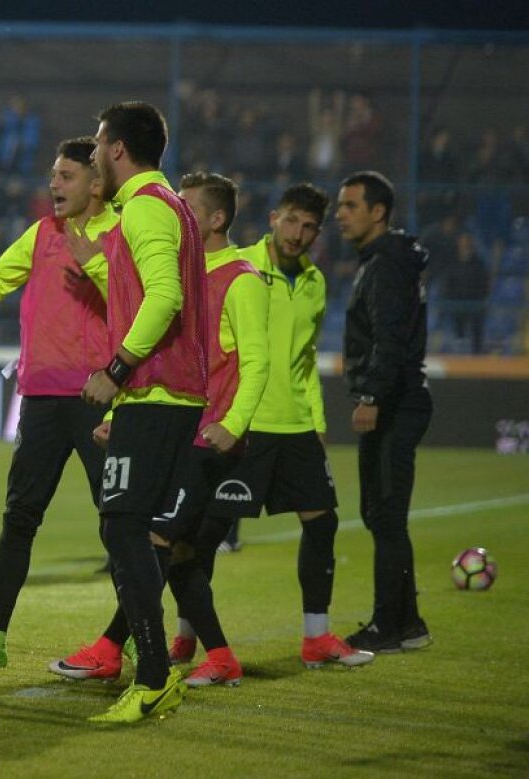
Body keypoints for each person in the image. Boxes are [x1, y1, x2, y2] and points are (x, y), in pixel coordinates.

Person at [49, 171, 270, 689]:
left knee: (146, 539)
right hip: (176, 425)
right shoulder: (185, 273)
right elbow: (157, 347)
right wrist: (116, 415)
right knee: (176, 551)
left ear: (215, 219)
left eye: (186, 206)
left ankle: (113, 649)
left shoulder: (240, 278)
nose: (176, 213)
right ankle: (218, 655)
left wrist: (233, 424)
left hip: (206, 433)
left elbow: (257, 362)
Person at [167, 183, 375, 672]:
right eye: (291, 221)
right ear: (273, 217)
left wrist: (318, 422)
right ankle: (186, 635)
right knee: (205, 534)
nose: (298, 234)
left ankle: (316, 636)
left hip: (296, 426)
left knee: (322, 524)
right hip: (246, 422)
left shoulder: (316, 282)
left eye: (309, 227)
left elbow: (303, 363)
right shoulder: (241, 268)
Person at [0, 137, 116, 670]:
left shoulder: (123, 236)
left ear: (96, 184)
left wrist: (99, 268)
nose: (53, 185)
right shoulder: (41, 236)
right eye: (53, 175)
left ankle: (125, 634)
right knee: (19, 518)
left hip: (99, 399)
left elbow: (143, 304)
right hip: (40, 399)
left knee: (118, 521)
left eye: (66, 176)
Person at [77, 101, 208, 725]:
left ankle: (153, 676)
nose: (95, 152)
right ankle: (149, 668)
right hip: (161, 393)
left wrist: (118, 370)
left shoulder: (151, 208)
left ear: (118, 148)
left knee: (122, 525)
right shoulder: (162, 207)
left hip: (155, 390)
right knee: (129, 527)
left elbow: (167, 296)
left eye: (100, 142)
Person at [336, 170, 433, 654]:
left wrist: (372, 396)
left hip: (395, 403)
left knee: (386, 516)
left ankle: (386, 626)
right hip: (396, 399)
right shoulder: (386, 260)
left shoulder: (386, 265)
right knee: (381, 514)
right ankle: (408, 622)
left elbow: (390, 339)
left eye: (350, 206)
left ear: (378, 212)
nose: (340, 215)